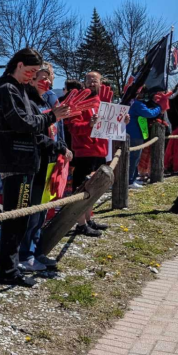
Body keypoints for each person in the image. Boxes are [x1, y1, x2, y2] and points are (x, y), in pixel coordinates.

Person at [0, 48, 70, 287]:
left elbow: (31, 118)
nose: (32, 76)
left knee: (20, 218)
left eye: (36, 73)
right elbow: (21, 122)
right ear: (19, 64)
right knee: (16, 218)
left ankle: (9, 267)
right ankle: (8, 269)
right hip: (16, 161)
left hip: (25, 161)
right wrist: (51, 117)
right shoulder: (7, 89)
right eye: (31, 71)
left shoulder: (19, 89)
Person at [17, 67, 72, 272]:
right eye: (42, 78)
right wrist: (58, 147)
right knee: (32, 211)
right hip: (34, 163)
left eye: (49, 79)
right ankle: (25, 254)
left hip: (49, 161)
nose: (47, 83)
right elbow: (36, 134)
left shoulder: (46, 102)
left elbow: (57, 131)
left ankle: (36, 249)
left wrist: (62, 147)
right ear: (31, 81)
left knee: (41, 210)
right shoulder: (29, 103)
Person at [64, 71, 109, 237]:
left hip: (100, 151)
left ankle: (88, 219)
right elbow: (73, 128)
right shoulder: (78, 102)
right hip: (84, 152)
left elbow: (111, 126)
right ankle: (80, 223)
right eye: (88, 80)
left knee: (94, 188)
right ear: (84, 83)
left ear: (100, 82)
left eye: (95, 80)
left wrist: (122, 122)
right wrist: (89, 125)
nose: (91, 83)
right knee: (80, 189)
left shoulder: (102, 102)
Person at [126, 89, 165, 188]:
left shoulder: (129, 102)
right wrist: (159, 107)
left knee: (134, 158)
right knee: (134, 158)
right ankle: (129, 180)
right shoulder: (137, 104)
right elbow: (149, 113)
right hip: (135, 134)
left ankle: (132, 178)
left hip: (130, 132)